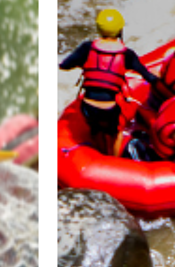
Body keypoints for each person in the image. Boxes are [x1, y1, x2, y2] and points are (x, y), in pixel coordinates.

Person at [60, 8, 161, 157]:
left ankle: (96, 150)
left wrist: (85, 65)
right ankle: (114, 158)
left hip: (87, 107)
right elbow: (147, 76)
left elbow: (65, 65)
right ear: (120, 29)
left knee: (95, 128)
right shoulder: (127, 54)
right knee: (116, 133)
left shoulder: (87, 48)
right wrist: (159, 79)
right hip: (109, 110)